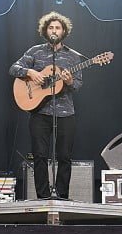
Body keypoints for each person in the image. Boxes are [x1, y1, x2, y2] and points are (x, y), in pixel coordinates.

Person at [9, 11, 82, 199]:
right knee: (40, 155)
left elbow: (78, 85)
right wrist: (30, 72)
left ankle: (62, 196)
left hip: (66, 113)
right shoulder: (35, 51)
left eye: (58, 27)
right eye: (51, 27)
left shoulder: (73, 56)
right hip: (40, 112)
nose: (54, 30)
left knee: (64, 156)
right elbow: (13, 69)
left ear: (64, 31)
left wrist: (69, 81)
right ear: (45, 30)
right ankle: (43, 196)